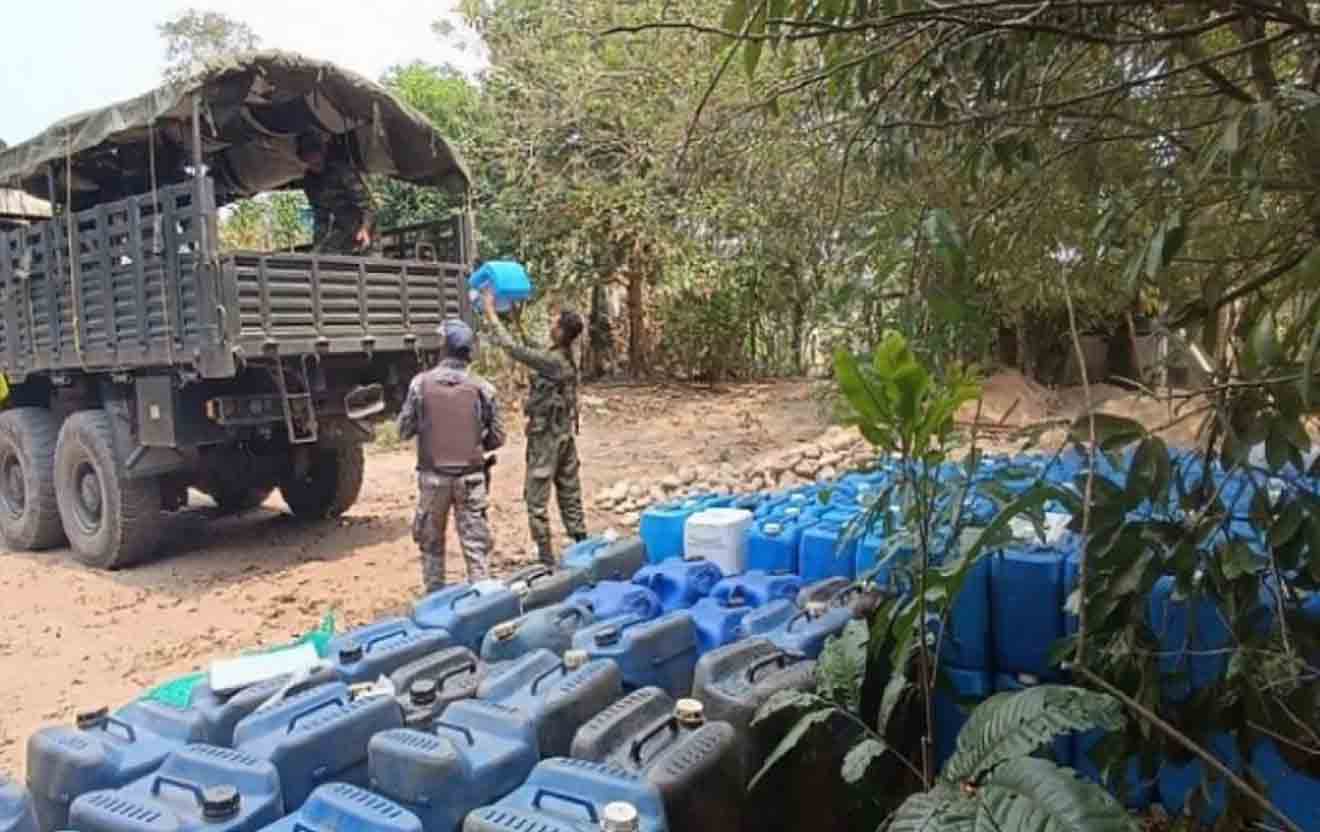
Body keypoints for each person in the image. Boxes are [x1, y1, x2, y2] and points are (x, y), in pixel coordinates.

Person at [481, 287, 587, 566]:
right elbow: (531, 348)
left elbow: (516, 350)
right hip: (563, 436)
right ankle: (583, 545)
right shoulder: (561, 357)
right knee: (569, 491)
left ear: (562, 332)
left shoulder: (553, 362)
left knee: (536, 499)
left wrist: (491, 313)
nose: (550, 325)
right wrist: (515, 316)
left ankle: (546, 559)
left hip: (547, 440)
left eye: (554, 323)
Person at [397, 319, 505, 593]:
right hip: (471, 479)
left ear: (443, 348)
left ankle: (435, 601)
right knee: (476, 547)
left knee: (431, 546)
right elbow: (498, 437)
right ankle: (483, 600)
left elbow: (403, 430)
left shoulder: (420, 385)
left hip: (433, 480)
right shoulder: (483, 388)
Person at [296, 131, 376, 255]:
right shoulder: (310, 181)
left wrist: (365, 229)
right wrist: (318, 247)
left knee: (369, 267)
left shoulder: (341, 171)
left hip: (365, 228)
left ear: (322, 152)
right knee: (324, 258)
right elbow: (320, 217)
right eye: (307, 155)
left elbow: (368, 206)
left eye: (314, 152)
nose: (312, 159)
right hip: (341, 227)